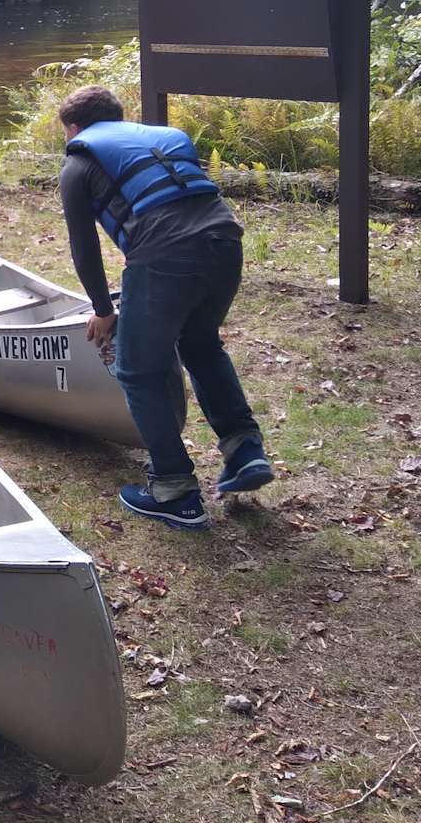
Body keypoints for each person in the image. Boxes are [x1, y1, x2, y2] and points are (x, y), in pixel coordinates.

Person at [57, 84, 273, 531]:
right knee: (200, 345)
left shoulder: (78, 161)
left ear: (75, 128)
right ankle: (243, 449)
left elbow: (84, 247)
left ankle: (173, 489)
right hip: (225, 242)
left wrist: (102, 308)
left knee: (138, 370)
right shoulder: (159, 136)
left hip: (165, 256)